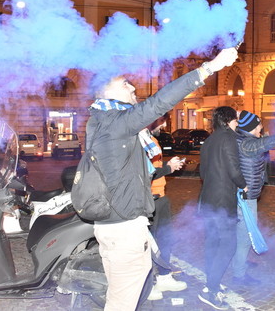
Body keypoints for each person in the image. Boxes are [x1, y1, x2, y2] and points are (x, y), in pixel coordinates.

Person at [88, 47, 238, 311]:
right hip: (123, 226)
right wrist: (210, 67)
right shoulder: (114, 121)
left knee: (126, 293)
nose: (133, 87)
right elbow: (158, 102)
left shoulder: (104, 121)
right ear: (106, 92)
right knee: (123, 301)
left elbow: (133, 171)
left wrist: (165, 169)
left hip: (120, 221)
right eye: (125, 84)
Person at [231, 110, 275, 286]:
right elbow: (256, 147)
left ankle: (239, 262)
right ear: (251, 127)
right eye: (258, 124)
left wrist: (263, 140)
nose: (261, 126)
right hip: (245, 197)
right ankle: (238, 274)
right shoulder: (246, 143)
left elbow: (259, 147)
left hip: (245, 195)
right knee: (245, 236)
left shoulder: (243, 139)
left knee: (241, 234)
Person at [197, 106, 248, 310]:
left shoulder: (209, 140)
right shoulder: (228, 137)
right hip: (222, 201)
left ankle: (213, 284)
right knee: (228, 245)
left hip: (208, 200)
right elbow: (233, 167)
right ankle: (209, 289)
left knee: (212, 245)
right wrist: (243, 184)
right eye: (236, 119)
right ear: (228, 120)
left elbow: (202, 172)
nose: (238, 123)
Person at [138, 113, 187, 301]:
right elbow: (144, 173)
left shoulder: (149, 139)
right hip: (148, 198)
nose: (164, 125)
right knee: (147, 244)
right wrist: (168, 168)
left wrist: (169, 166)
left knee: (165, 239)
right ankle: (146, 285)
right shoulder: (140, 140)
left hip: (160, 196)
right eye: (161, 121)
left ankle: (164, 277)